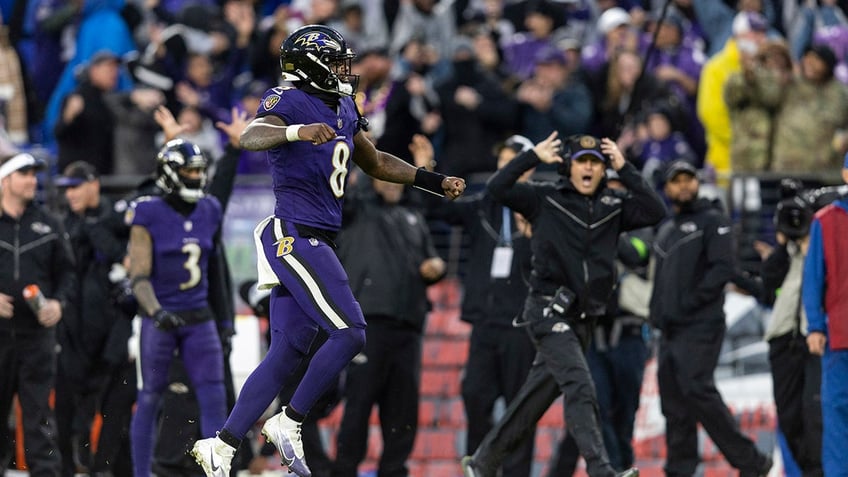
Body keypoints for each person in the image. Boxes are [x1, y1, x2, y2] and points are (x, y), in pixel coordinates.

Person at [190, 24, 465, 477]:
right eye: (337, 62)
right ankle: (288, 421)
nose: (345, 70)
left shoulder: (342, 106)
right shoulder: (288, 99)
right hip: (295, 233)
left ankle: (221, 444)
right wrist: (297, 131)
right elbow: (252, 136)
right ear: (312, 65)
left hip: (317, 235)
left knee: (289, 349)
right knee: (352, 331)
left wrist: (431, 181)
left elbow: (374, 161)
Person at [461, 132, 666, 477]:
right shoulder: (545, 197)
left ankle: (483, 463)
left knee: (534, 398)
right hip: (546, 310)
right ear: (569, 166)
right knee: (580, 385)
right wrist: (532, 158)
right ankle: (601, 469)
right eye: (582, 161)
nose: (589, 168)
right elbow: (497, 188)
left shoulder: (612, 208)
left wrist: (625, 167)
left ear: (604, 170)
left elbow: (656, 210)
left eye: (596, 163)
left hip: (583, 319)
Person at [422, 134, 537, 477]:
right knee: (475, 395)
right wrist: (428, 171)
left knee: (521, 407)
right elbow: (439, 209)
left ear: (528, 170)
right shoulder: (483, 205)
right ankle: (479, 466)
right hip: (485, 323)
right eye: (501, 162)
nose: (503, 169)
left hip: (521, 325)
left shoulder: (542, 208)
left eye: (512, 162)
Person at [650, 160, 773, 477]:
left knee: (697, 390)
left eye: (688, 179)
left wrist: (690, 303)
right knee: (674, 403)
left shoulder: (713, 220)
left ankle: (752, 463)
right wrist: (657, 315)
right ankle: (680, 469)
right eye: (676, 181)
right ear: (667, 188)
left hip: (700, 324)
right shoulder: (665, 229)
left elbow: (722, 268)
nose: (683, 186)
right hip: (669, 330)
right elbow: (660, 281)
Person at [332, 171, 446, 477]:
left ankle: (394, 472)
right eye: (386, 176)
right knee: (358, 407)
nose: (393, 184)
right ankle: (344, 471)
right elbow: (339, 194)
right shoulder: (357, 210)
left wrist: (435, 267)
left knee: (402, 413)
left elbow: (429, 260)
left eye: (398, 178)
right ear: (373, 180)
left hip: (408, 326)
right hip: (368, 325)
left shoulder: (413, 217)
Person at [127, 139, 228, 477]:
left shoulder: (210, 208)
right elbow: (138, 277)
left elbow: (215, 270)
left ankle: (217, 472)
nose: (196, 176)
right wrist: (157, 312)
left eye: (200, 170)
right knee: (150, 396)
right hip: (160, 320)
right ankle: (142, 474)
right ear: (170, 172)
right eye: (189, 170)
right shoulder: (147, 211)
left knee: (214, 398)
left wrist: (224, 320)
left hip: (199, 318)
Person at [54, 160, 133, 476]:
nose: (69, 195)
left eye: (75, 187)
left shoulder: (119, 219)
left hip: (114, 338)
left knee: (116, 419)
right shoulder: (63, 226)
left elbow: (130, 262)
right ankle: (66, 468)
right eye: (66, 189)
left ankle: (111, 469)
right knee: (67, 417)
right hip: (74, 338)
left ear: (94, 184)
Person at [0, 152, 76, 476]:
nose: (32, 180)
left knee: (39, 420)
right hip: (0, 338)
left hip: (37, 338)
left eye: (34, 174)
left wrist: (58, 303)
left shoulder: (50, 223)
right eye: (24, 174)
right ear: (5, 181)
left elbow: (68, 275)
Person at [761, 195, 822, 476]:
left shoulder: (823, 247)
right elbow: (767, 285)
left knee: (815, 413)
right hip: (783, 337)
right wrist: (783, 245)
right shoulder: (785, 253)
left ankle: (818, 470)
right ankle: (808, 469)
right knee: (788, 417)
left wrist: (814, 244)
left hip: (816, 336)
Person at [802, 155, 848, 477]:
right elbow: (813, 279)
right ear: (845, 173)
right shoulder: (824, 221)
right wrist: (815, 326)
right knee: (836, 416)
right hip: (839, 338)